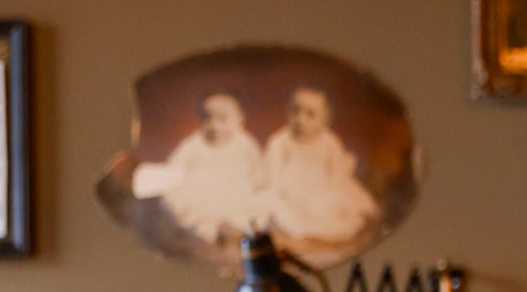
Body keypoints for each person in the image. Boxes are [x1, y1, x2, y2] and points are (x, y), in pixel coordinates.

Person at [262, 86, 378, 258]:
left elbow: (337, 174)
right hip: (288, 191)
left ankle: (322, 232)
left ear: (325, 120)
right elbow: (271, 172)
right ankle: (297, 233)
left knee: (336, 208)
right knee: (271, 205)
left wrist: (331, 193)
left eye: (310, 115)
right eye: (295, 111)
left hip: (321, 190)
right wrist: (285, 193)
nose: (300, 120)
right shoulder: (280, 141)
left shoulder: (329, 141)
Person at [144, 94, 268, 245]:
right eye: (207, 118)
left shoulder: (245, 143)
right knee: (178, 203)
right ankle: (213, 231)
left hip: (236, 196)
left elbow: (258, 173)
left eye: (222, 119)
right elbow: (174, 171)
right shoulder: (193, 144)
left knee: (265, 201)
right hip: (204, 198)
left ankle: (237, 228)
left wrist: (255, 188)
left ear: (239, 120)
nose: (214, 126)